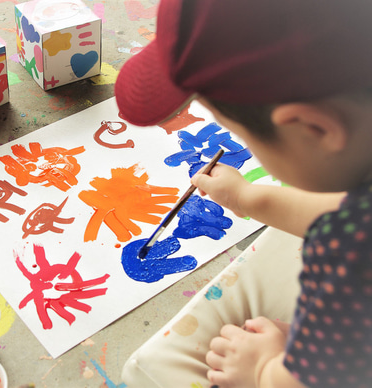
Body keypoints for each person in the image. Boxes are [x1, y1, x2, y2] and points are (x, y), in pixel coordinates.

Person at [115, 0, 372, 387]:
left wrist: (264, 369)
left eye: (238, 132)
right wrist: (248, 199)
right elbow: (349, 212)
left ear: (312, 127)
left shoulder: (345, 263)